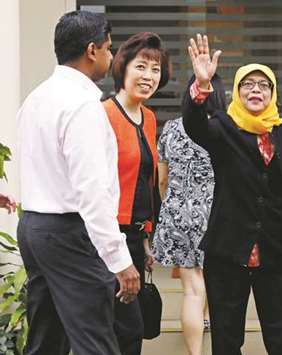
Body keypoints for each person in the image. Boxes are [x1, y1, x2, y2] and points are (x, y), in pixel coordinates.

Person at [182, 34, 282, 355]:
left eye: (263, 85)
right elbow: (193, 126)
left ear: (272, 93)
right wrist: (202, 86)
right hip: (228, 251)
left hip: (276, 251)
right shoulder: (222, 127)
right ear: (237, 92)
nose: (256, 90)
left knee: (281, 337)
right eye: (248, 84)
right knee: (227, 339)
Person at [17, 11, 140, 355]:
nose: (111, 57)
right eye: (109, 49)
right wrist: (119, 260)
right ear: (91, 51)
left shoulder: (35, 98)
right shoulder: (83, 106)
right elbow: (91, 191)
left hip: (33, 226)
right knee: (94, 342)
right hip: (68, 233)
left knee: (45, 340)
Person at [102, 31, 170, 355]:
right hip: (106, 241)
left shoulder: (150, 118)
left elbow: (146, 181)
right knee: (121, 329)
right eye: (141, 66)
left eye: (155, 69)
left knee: (133, 332)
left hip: (134, 239)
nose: (148, 76)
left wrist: (147, 239)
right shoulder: (103, 115)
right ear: (123, 67)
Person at [153, 73, 226, 355]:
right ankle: (205, 319)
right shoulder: (224, 128)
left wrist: (171, 205)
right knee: (209, 277)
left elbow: (162, 179)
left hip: (177, 213)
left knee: (191, 290)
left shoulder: (171, 129)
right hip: (214, 213)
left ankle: (194, 353)